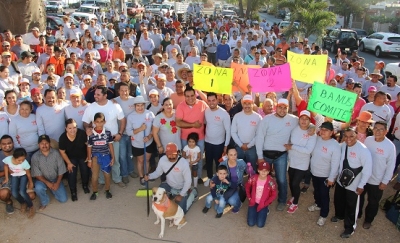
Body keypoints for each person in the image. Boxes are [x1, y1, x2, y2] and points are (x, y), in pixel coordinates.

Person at [256, 98, 298, 211]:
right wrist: (260, 157)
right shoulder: (267, 120)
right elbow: (259, 138)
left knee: (282, 179)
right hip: (266, 154)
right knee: (263, 178)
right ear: (276, 107)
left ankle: (282, 200)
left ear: (288, 109)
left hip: (281, 155)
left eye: (285, 108)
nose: (282, 110)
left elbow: (306, 122)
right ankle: (261, 199)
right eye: (280, 107)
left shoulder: (294, 119)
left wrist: (312, 128)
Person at [331, 128, 372, 238]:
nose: (348, 139)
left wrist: (361, 185)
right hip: (341, 180)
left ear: (357, 136)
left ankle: (350, 228)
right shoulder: (343, 145)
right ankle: (339, 215)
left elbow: (367, 170)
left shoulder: (363, 150)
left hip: (354, 185)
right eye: (346, 136)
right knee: (338, 199)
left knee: (351, 206)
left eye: (351, 136)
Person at [82, 85, 126, 188]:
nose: (95, 96)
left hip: (113, 139)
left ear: (105, 95)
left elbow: (123, 120)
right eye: (95, 94)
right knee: (99, 161)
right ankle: (102, 181)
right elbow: (85, 122)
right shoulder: (91, 107)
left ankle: (117, 178)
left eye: (98, 94)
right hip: (97, 141)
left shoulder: (115, 105)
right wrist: (87, 129)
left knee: (114, 161)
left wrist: (120, 133)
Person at [360, 121, 396, 229]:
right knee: (360, 197)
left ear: (386, 131)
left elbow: (391, 165)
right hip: (364, 177)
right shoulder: (368, 140)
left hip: (377, 180)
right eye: (376, 128)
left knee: (373, 202)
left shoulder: (390, 146)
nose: (378, 131)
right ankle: (358, 214)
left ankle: (368, 220)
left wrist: (385, 181)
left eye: (381, 129)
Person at [144, 143, 197, 214]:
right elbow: (158, 173)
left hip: (182, 188)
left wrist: (181, 195)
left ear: (178, 153)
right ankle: (171, 195)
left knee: (181, 212)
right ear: (166, 153)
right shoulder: (162, 160)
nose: (171, 157)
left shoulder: (184, 163)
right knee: (158, 195)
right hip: (169, 185)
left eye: (173, 154)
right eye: (169, 154)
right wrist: (149, 176)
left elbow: (188, 181)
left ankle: (192, 193)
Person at [308, 122, 341, 226]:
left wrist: (331, 178)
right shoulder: (317, 139)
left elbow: (335, 163)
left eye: (326, 130)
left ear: (332, 132)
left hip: (325, 176)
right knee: (316, 191)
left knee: (324, 194)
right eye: (322, 129)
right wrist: (313, 129)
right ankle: (318, 204)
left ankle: (324, 214)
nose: (323, 131)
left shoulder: (335, 145)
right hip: (314, 172)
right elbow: (311, 126)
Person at [285, 110, 317, 214]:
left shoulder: (312, 133)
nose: (303, 121)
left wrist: (292, 147)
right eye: (302, 118)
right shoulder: (294, 129)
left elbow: (308, 150)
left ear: (309, 121)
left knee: (295, 183)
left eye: (306, 119)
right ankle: (294, 196)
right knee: (291, 181)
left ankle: (295, 203)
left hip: (302, 163)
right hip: (292, 160)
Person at [176, 88, 207, 185]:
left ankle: (197, 177)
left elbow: (210, 105)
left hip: (200, 137)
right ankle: (187, 177)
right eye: (187, 96)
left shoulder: (202, 104)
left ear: (195, 95)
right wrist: (193, 125)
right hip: (185, 139)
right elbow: (178, 122)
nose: (190, 98)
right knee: (186, 159)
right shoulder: (180, 106)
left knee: (199, 157)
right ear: (184, 96)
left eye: (192, 95)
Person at [31, 135, 68, 211]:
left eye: (46, 143)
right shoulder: (35, 157)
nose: (44, 145)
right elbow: (37, 174)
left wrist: (57, 183)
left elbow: (61, 169)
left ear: (49, 143)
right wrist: (48, 183)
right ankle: (44, 201)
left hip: (55, 179)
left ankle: (53, 189)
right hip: (42, 181)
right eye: (42, 143)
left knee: (63, 199)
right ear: (38, 145)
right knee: (38, 187)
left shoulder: (56, 153)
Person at [125, 96, 155, 186]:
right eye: (138, 105)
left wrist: (149, 136)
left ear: (144, 105)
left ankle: (146, 175)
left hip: (149, 142)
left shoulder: (150, 114)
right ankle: (141, 177)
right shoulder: (131, 117)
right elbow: (129, 132)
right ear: (135, 106)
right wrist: (140, 129)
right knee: (140, 160)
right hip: (137, 143)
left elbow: (155, 128)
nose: (140, 107)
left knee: (147, 159)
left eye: (142, 105)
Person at [59, 119, 90, 201]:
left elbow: (88, 145)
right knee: (71, 172)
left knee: (85, 170)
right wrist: (68, 163)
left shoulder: (82, 133)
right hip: (71, 158)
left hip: (82, 155)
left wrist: (88, 156)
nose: (72, 130)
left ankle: (85, 185)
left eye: (74, 127)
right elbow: (62, 152)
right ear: (66, 128)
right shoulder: (62, 138)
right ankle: (73, 192)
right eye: (70, 128)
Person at [204, 92, 231, 185]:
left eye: (213, 100)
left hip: (219, 144)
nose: (211, 102)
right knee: (208, 161)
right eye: (209, 100)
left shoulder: (224, 114)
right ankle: (209, 177)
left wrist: (226, 145)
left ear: (217, 100)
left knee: (219, 164)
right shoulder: (206, 111)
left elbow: (228, 130)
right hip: (207, 142)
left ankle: (218, 180)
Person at [87, 112, 114, 200]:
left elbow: (110, 145)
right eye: (97, 122)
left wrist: (113, 157)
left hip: (106, 156)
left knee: (107, 175)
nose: (99, 123)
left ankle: (107, 190)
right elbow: (89, 147)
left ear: (104, 122)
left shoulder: (108, 133)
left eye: (101, 121)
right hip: (95, 157)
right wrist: (89, 160)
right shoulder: (91, 134)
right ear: (94, 122)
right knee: (94, 176)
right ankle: (95, 191)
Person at [2, 148, 35, 218]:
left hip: (23, 175)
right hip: (14, 175)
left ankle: (31, 206)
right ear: (14, 157)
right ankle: (23, 203)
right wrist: (7, 178)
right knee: (14, 192)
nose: (21, 162)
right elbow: (5, 166)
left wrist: (30, 182)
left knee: (22, 192)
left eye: (23, 160)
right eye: (19, 160)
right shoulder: (8, 159)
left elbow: (28, 173)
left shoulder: (25, 163)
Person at [231, 94, 262, 170]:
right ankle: (239, 182)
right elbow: (233, 132)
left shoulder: (258, 117)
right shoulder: (237, 116)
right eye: (245, 103)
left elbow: (259, 134)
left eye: (249, 103)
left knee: (252, 169)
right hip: (239, 147)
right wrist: (241, 144)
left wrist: (249, 145)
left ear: (252, 104)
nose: (247, 106)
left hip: (252, 148)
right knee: (238, 169)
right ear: (242, 104)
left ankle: (251, 182)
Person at [246, 161, 277, 228]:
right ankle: (254, 211)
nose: (263, 172)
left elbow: (274, 194)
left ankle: (265, 209)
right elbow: (247, 188)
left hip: (263, 203)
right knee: (251, 223)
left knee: (260, 225)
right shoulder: (253, 178)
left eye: (266, 170)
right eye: (261, 170)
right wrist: (249, 197)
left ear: (268, 172)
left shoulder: (271, 182)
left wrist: (267, 203)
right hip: (253, 202)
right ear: (258, 170)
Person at [0, 135, 15, 214]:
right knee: (3, 194)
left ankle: (25, 202)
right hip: (4, 177)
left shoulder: (20, 152)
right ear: (0, 145)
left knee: (31, 195)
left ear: (13, 143)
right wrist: (7, 172)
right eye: (4, 144)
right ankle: (8, 202)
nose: (7, 146)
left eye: (9, 143)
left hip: (19, 176)